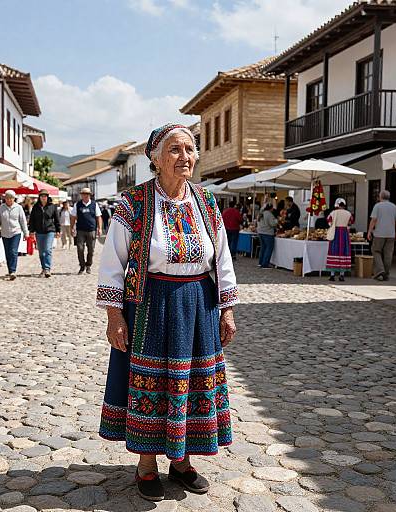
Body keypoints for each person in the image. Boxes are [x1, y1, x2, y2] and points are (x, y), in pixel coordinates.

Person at [97, 123, 238, 502]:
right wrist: (114, 316)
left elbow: (221, 259)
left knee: (191, 383)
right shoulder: (134, 203)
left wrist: (226, 310)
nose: (185, 157)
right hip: (151, 305)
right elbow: (112, 263)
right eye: (175, 150)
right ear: (155, 159)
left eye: (190, 149)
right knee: (152, 385)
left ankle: (182, 461)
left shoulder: (207, 202)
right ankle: (146, 464)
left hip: (198, 306)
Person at [0, 190, 29, 281]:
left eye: (11, 198)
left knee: (13, 251)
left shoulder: (18, 208)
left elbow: (23, 221)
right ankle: (10, 270)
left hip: (16, 232)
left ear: (14, 199)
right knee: (7, 252)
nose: (9, 200)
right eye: (7, 198)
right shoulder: (1, 207)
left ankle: (13, 271)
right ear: (5, 199)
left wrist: (26, 233)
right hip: (5, 233)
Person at [367, 190, 396, 281]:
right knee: (388, 254)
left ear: (380, 197)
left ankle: (380, 271)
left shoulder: (377, 206)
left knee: (376, 251)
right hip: (391, 234)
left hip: (379, 233)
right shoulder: (394, 207)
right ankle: (386, 274)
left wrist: (369, 231)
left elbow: (374, 220)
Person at [28, 189, 60, 278]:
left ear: (47, 197)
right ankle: (43, 268)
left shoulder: (52, 206)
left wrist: (58, 230)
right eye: (42, 196)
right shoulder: (36, 207)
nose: (43, 198)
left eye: (45, 196)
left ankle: (47, 268)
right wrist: (31, 231)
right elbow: (32, 220)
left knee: (47, 249)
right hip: (39, 231)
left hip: (49, 231)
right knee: (41, 252)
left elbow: (56, 219)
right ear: (39, 197)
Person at [70, 187, 102, 275]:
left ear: (89, 195)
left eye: (87, 194)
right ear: (81, 195)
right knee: (80, 249)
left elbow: (98, 217)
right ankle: (82, 266)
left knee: (91, 249)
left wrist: (99, 228)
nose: (85, 196)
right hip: (80, 230)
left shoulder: (94, 204)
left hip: (92, 230)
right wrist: (72, 228)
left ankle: (88, 265)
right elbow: (73, 217)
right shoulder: (78, 204)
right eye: (83, 194)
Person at [326, 198, 353, 282]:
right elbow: (350, 222)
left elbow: (329, 222)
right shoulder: (348, 213)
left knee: (333, 252)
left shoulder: (333, 213)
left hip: (335, 233)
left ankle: (332, 275)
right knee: (343, 253)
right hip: (344, 234)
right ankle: (342, 275)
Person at [256, 203, 278, 268]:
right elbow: (272, 224)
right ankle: (265, 264)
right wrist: (277, 221)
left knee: (263, 248)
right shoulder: (269, 214)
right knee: (269, 248)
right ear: (271, 208)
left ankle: (260, 262)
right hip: (267, 233)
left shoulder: (261, 213)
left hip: (260, 232)